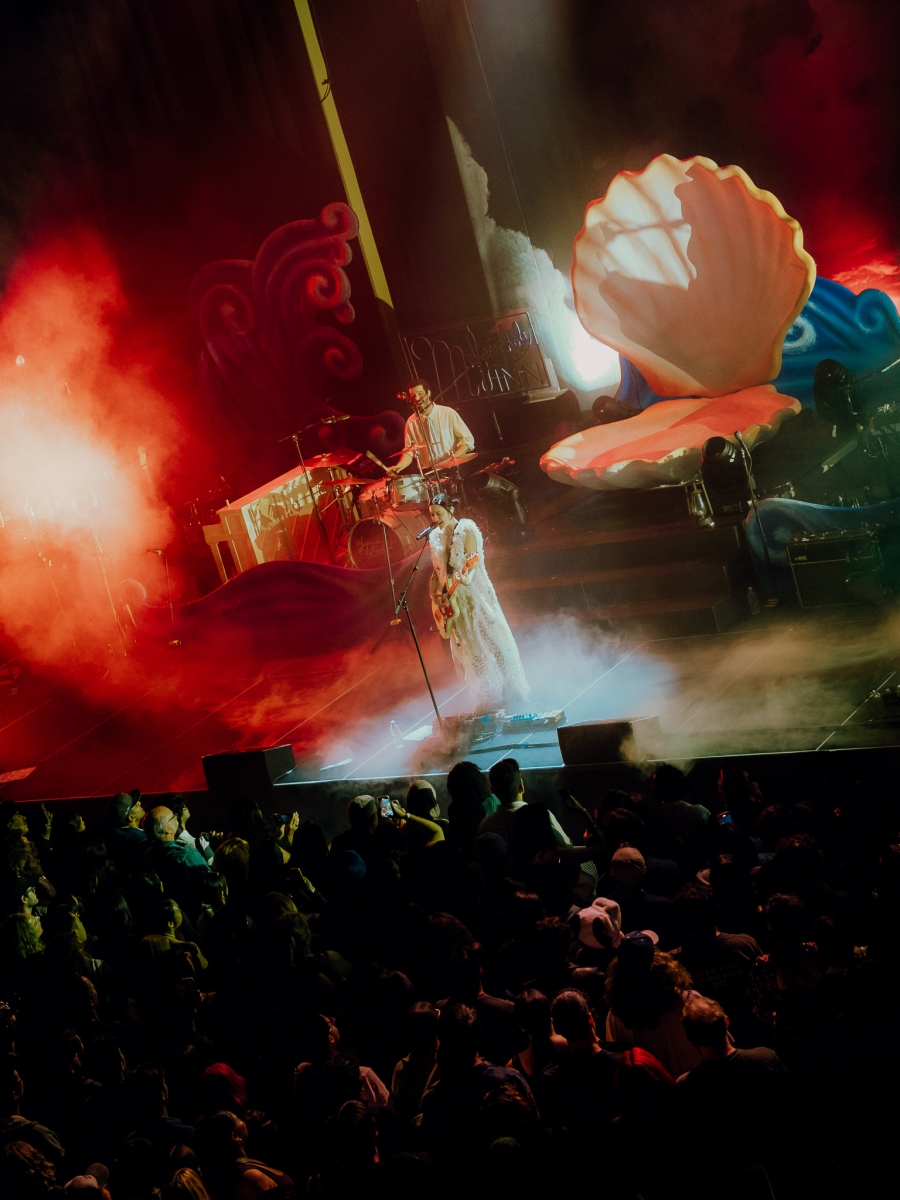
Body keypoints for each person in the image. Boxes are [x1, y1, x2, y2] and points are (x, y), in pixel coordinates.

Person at [427, 495, 529, 712]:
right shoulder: (435, 537)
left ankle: (510, 688)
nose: (435, 518)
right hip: (453, 602)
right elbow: (436, 572)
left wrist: (467, 579)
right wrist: (434, 594)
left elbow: (472, 562)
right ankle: (488, 695)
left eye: (439, 513)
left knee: (491, 640)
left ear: (450, 510)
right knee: (470, 648)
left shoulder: (466, 530)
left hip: (474, 596)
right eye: (432, 515)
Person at [388, 379, 474, 475]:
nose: (417, 398)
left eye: (420, 394)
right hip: (430, 473)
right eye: (413, 395)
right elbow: (409, 452)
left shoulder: (447, 413)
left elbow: (467, 440)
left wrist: (453, 459)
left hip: (454, 468)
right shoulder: (411, 422)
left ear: (428, 393)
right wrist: (397, 467)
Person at [478, 760, 568, 846]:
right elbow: (566, 845)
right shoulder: (542, 816)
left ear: (493, 790)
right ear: (522, 786)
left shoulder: (485, 825)